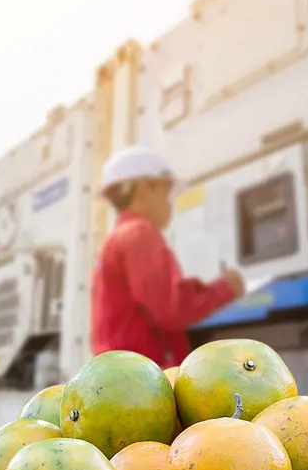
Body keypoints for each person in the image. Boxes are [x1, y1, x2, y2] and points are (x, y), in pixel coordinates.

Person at [90, 145, 245, 368]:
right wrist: (226, 288)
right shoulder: (139, 234)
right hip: (144, 378)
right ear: (143, 189)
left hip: (122, 374)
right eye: (166, 191)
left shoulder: (116, 238)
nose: (170, 202)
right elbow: (170, 308)